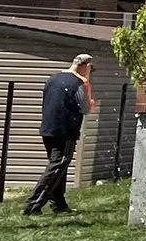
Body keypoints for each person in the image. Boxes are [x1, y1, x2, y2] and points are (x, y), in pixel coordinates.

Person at [23, 54, 94, 216]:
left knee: (57, 167)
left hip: (48, 128)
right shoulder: (79, 83)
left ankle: (59, 204)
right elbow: (85, 108)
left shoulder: (52, 79)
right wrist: (91, 103)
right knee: (58, 165)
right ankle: (33, 204)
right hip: (65, 130)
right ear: (86, 66)